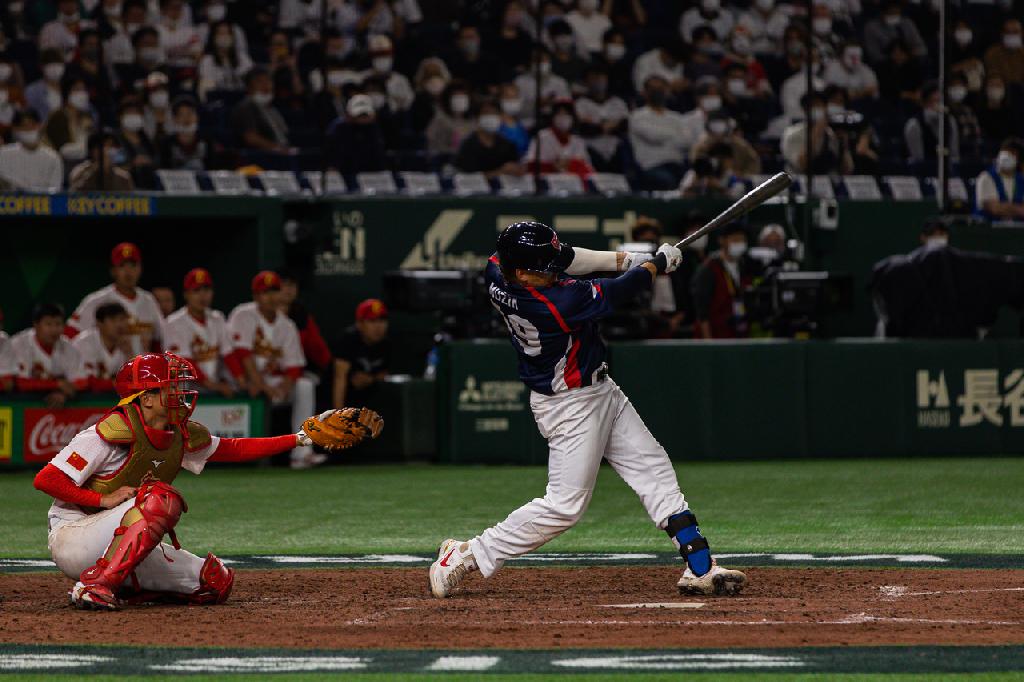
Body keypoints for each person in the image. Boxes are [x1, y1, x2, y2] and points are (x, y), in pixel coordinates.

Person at [427, 221, 746, 598]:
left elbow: (570, 258)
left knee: (652, 467)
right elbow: (615, 294)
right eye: (543, 270)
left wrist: (627, 258)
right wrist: (653, 266)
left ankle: (700, 567)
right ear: (522, 274)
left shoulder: (498, 267)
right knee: (565, 506)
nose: (553, 272)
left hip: (599, 389)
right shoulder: (555, 303)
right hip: (569, 405)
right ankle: (465, 555)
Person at [30, 352, 358, 610]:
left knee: (215, 582)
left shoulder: (177, 434)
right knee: (160, 498)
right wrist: (101, 500)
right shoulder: (111, 432)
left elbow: (233, 448)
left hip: (116, 540)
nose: (179, 393)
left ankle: (128, 588)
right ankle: (93, 585)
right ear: (145, 398)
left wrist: (300, 439)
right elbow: (46, 479)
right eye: (170, 387)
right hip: (73, 536)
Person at [226, 271, 320, 470]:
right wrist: (259, 384)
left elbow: (294, 366)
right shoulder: (243, 314)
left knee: (304, 385)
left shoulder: (287, 325)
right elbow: (242, 354)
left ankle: (302, 453)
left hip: (271, 382)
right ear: (256, 296)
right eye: (264, 292)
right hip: (242, 380)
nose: (270, 297)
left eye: (274, 291)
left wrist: (286, 386)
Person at [67, 242, 163, 355]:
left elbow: (161, 339)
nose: (128, 272)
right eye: (122, 266)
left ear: (140, 269)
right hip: (108, 370)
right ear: (113, 271)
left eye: (133, 265)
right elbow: (70, 335)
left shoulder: (149, 301)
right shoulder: (96, 301)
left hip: (140, 369)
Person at [163, 268, 234, 396]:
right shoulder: (173, 323)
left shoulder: (217, 318)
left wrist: (242, 382)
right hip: (183, 396)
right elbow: (185, 363)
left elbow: (228, 355)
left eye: (206, 290)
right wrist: (215, 386)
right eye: (196, 291)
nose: (202, 296)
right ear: (186, 294)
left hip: (214, 392)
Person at [9, 303, 79, 409]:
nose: (54, 330)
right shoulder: (19, 344)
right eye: (49, 324)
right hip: (20, 406)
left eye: (58, 324)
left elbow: (81, 381)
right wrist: (57, 385)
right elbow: (19, 383)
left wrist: (64, 393)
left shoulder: (69, 347)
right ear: (36, 325)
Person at [628, 75, 688, 190]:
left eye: (661, 89)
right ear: (645, 92)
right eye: (653, 89)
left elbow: (686, 141)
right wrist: (674, 134)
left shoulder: (676, 117)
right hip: (651, 166)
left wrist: (666, 135)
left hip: (677, 164)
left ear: (667, 91)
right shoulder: (637, 116)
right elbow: (653, 136)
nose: (658, 92)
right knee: (668, 181)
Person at [692, 224, 751, 339]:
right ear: (722, 241)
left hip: (738, 332)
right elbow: (701, 310)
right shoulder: (709, 268)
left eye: (742, 240)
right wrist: (708, 343)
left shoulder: (745, 266)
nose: (739, 243)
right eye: (735, 239)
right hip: (715, 334)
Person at [332, 299, 391, 409]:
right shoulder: (348, 340)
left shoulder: (386, 343)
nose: (378, 326)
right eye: (372, 321)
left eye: (382, 320)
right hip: (337, 402)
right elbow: (339, 379)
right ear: (359, 324)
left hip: (369, 406)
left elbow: (385, 376)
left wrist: (370, 379)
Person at [781, 93, 853, 175]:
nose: (819, 109)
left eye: (821, 106)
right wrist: (816, 133)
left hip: (829, 183)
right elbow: (802, 164)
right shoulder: (793, 133)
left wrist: (843, 145)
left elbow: (847, 169)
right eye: (815, 106)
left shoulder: (832, 134)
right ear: (805, 110)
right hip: (800, 183)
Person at [278, 270, 332, 375]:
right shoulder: (261, 313)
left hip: (293, 371)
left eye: (292, 285)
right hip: (263, 371)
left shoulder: (301, 316)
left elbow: (318, 349)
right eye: (283, 284)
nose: (288, 289)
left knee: (305, 386)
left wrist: (331, 367)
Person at [523, 101, 593, 179]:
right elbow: (529, 165)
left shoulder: (578, 142)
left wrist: (570, 164)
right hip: (546, 184)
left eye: (567, 114)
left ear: (573, 118)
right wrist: (551, 166)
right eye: (559, 114)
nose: (563, 117)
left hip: (573, 186)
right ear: (553, 117)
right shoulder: (541, 137)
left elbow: (589, 171)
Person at [454, 99, 524, 177]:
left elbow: (517, 168)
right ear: (477, 117)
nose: (491, 117)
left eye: (495, 113)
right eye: (486, 113)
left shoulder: (507, 145)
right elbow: (466, 178)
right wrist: (499, 172)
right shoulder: (468, 146)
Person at [70, 303, 130, 393]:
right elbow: (89, 383)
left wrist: (130, 353)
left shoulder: (128, 342)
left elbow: (138, 379)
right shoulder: (85, 343)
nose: (119, 325)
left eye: (122, 320)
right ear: (99, 323)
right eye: (113, 320)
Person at [230, 67, 291, 153]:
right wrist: (277, 148)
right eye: (259, 81)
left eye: (268, 81)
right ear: (249, 87)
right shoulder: (245, 107)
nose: (265, 85)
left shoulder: (272, 109)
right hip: (261, 157)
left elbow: (285, 134)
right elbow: (250, 138)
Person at [0, 110, 64, 192]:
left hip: (44, 203)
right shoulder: (3, 154)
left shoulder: (53, 157)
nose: (28, 129)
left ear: (40, 126)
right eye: (24, 126)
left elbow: (56, 190)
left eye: (32, 125)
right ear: (15, 129)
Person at [328, 93, 388, 175]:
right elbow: (335, 156)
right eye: (359, 115)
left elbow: (378, 156)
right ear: (349, 114)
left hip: (371, 174)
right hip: (345, 174)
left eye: (365, 115)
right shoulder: (339, 128)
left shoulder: (375, 128)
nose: (362, 119)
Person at [904, 82, 959, 169]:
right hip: (925, 171)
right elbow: (918, 159)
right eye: (934, 102)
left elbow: (954, 154)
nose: (939, 106)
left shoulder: (950, 121)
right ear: (925, 103)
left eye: (941, 102)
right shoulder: (914, 125)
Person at [197, 19, 252, 100]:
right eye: (220, 33)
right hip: (218, 102)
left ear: (232, 37)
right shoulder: (207, 61)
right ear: (214, 37)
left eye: (227, 33)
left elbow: (251, 82)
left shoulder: (243, 59)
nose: (224, 37)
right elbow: (207, 90)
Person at [974, 138, 1024, 221]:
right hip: (988, 230)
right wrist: (1018, 209)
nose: (1008, 156)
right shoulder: (986, 177)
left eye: (1012, 153)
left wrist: (1004, 207)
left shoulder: (1021, 180)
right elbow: (994, 208)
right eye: (1006, 152)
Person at [69, 130, 135, 191]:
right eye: (101, 146)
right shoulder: (79, 172)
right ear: (91, 150)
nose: (105, 150)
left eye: (110, 146)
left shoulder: (124, 177)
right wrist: (94, 171)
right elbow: (72, 195)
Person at [984, 19, 1024, 87]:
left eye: (1015, 32)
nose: (1011, 35)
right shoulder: (992, 53)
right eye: (1008, 32)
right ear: (1002, 34)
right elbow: (993, 75)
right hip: (1001, 89)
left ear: (1022, 33)